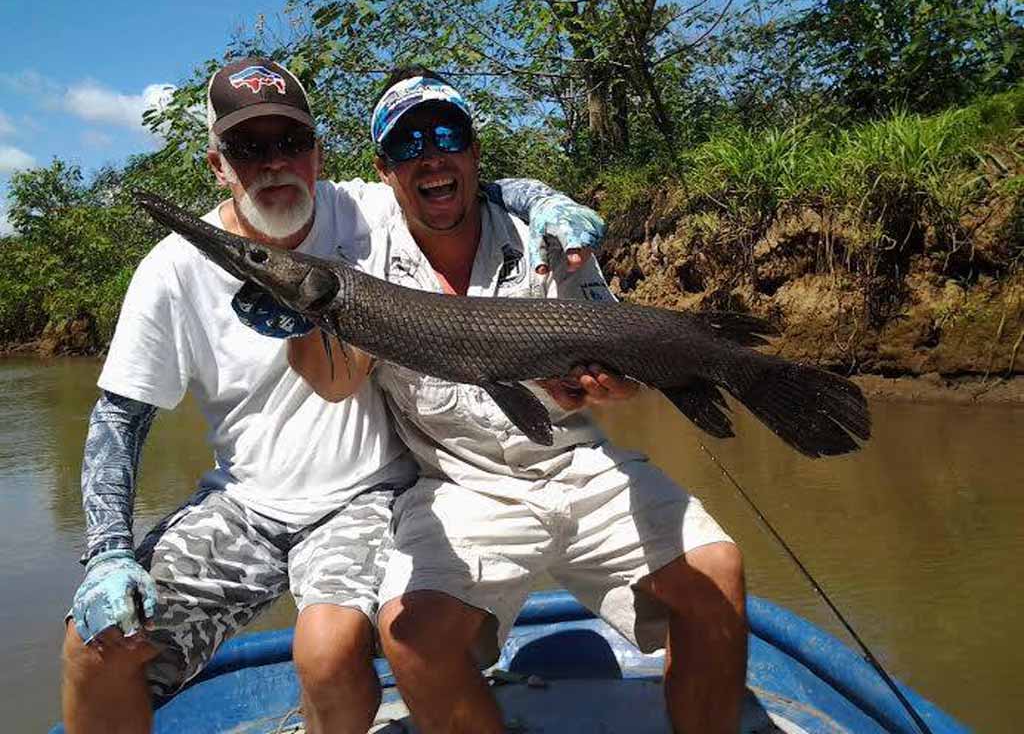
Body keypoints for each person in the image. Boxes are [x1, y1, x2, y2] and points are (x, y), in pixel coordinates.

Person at [60, 57, 608, 734]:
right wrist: (109, 550)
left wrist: (543, 201)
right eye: (248, 148)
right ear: (217, 164)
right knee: (95, 651)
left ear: (316, 153)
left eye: (289, 143)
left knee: (327, 652)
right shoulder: (170, 272)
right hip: (245, 501)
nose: (273, 163)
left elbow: (469, 181)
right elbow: (120, 419)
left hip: (368, 493)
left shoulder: (366, 207)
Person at [288, 68, 749, 734]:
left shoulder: (550, 236)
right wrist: (302, 314)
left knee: (718, 572)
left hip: (577, 463)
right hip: (460, 485)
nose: (432, 156)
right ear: (384, 170)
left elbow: (624, 380)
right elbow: (332, 378)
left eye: (448, 134)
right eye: (408, 146)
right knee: (412, 635)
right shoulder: (360, 264)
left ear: (474, 151)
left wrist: (613, 386)